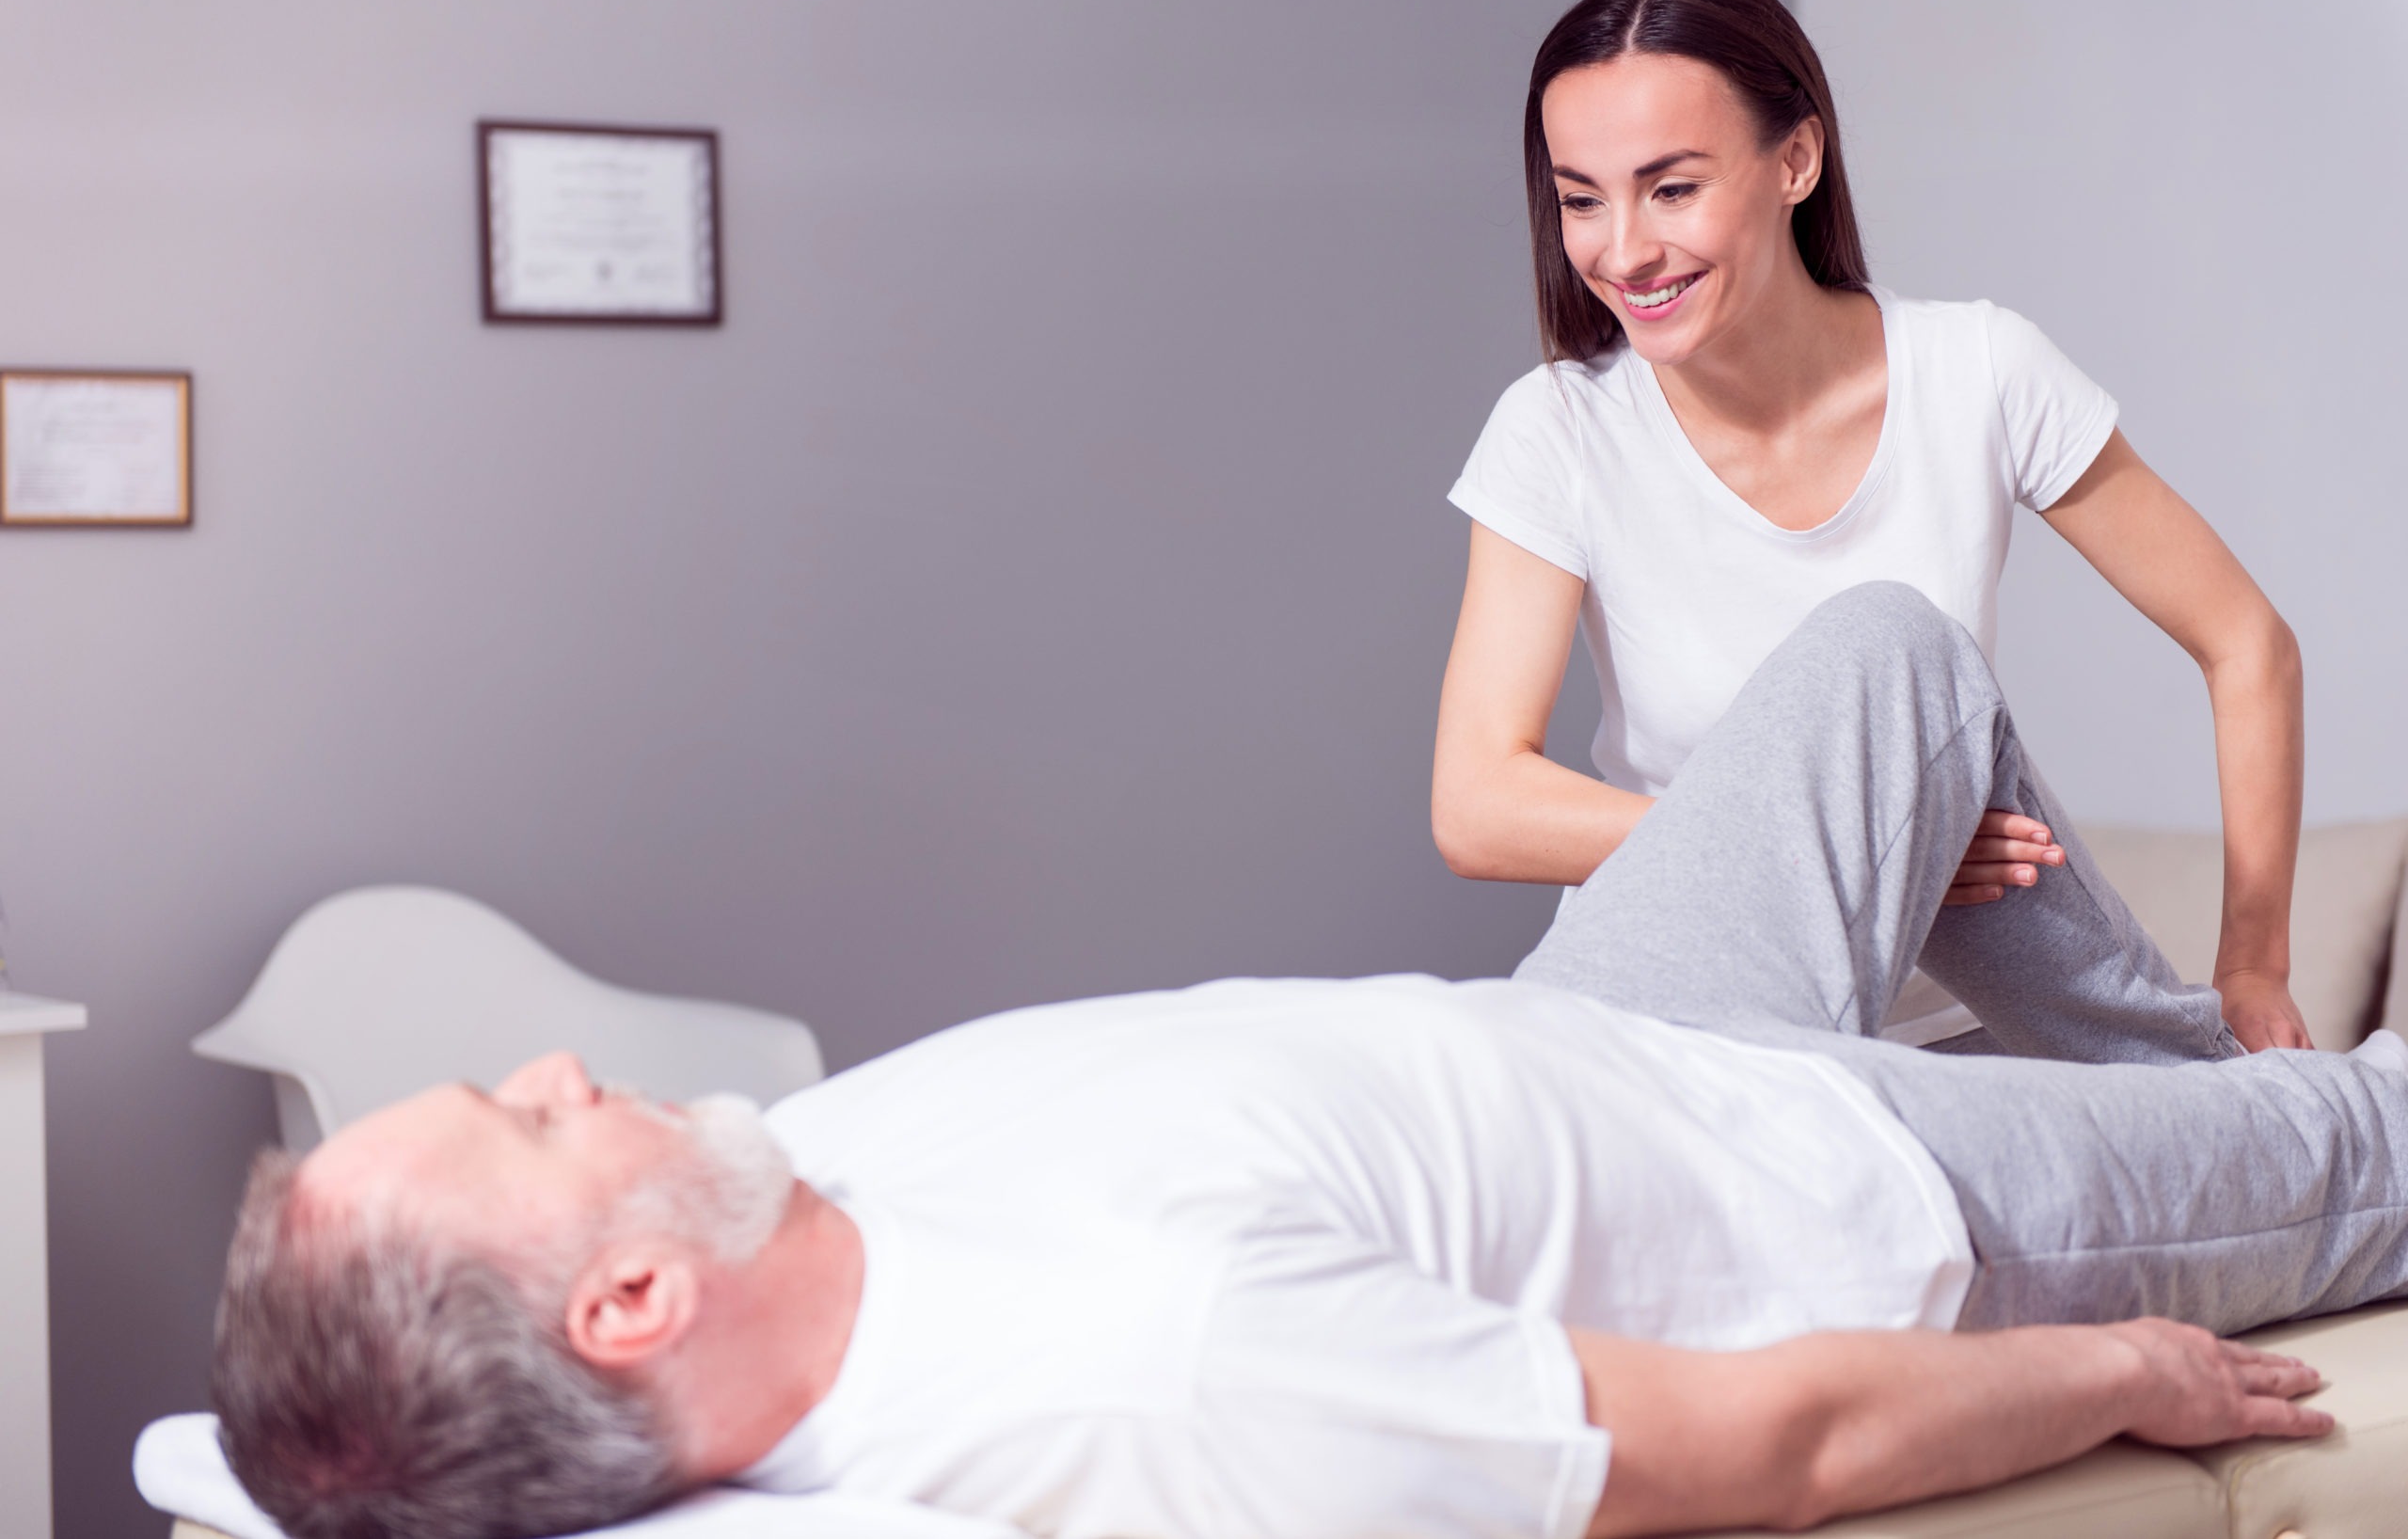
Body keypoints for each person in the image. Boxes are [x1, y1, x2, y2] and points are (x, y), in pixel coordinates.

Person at [214, 586, 2404, 1539]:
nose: (561, 1066)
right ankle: (2225, 1152)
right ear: (622, 1308)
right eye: (522, 1124)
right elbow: (1779, 1440)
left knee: (1890, 661)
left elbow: (254, 1460)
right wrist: (2115, 1370)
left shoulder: (783, 1180)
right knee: (2367, 1136)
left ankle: (2171, 1078)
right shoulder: (1159, 1368)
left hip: (1600, 1029)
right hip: (1840, 1185)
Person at [1431, 0, 2309, 1052]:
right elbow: (1476, 802)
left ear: (1794, 159)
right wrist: (1851, 838)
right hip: (1683, 1013)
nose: (1623, 249)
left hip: (1949, 1035)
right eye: (1579, 200)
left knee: (2227, 1133)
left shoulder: (1979, 372)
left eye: (1672, 188)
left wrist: (2252, 964)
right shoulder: (1559, 427)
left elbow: (2247, 644)